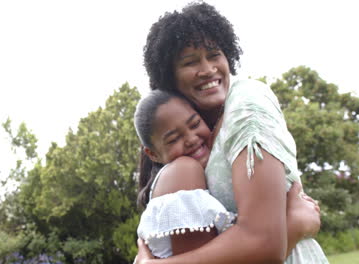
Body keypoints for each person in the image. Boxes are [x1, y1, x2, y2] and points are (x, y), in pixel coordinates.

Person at [135, 2, 328, 263]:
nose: (207, 69)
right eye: (190, 62)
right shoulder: (184, 167)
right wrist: (294, 224)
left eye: (214, 55)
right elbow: (264, 242)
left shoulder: (245, 105)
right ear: (170, 78)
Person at [134, 90, 238, 258]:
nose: (191, 139)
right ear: (153, 154)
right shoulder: (184, 170)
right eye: (173, 139)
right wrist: (288, 232)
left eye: (195, 124)